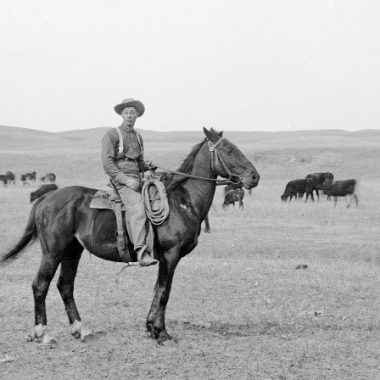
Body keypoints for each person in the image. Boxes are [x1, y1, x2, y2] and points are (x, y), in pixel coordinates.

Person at [102, 98, 157, 266]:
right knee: (139, 209)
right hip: (121, 180)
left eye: (133, 113)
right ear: (121, 114)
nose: (129, 116)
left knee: (158, 199)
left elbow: (139, 162)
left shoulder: (138, 137)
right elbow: (107, 163)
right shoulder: (112, 134)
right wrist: (126, 180)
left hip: (137, 179)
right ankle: (141, 251)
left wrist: (146, 170)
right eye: (126, 112)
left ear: (137, 116)